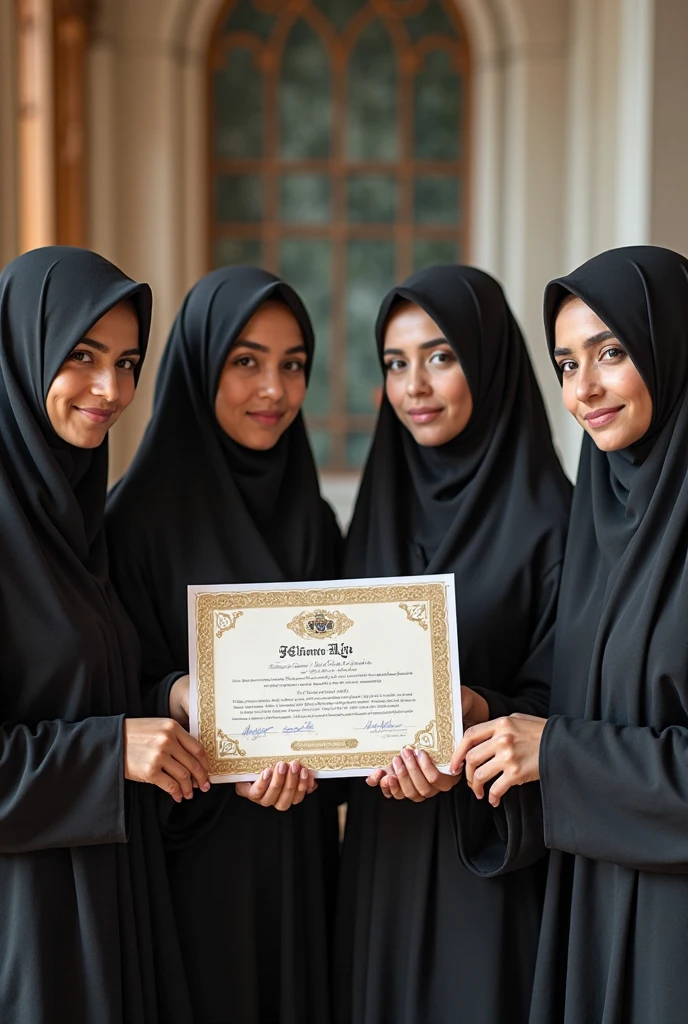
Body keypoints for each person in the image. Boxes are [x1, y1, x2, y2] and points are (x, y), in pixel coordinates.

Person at [454, 245, 688, 1024]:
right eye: (564, 363)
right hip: (594, 909)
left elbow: (563, 738)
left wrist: (554, 753)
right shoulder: (602, 518)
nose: (582, 389)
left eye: (611, 352)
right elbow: (564, 698)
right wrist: (482, 720)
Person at [107, 266, 343, 1024]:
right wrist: (177, 695)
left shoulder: (313, 517)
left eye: (292, 364)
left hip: (301, 851)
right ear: (200, 365)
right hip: (192, 858)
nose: (273, 389)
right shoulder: (132, 524)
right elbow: (116, 691)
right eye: (246, 361)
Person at [336, 264, 571, 1024]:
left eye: (440, 356)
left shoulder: (558, 523)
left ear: (489, 358)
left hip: (492, 856)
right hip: (386, 854)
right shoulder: (376, 508)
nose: (415, 387)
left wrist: (476, 713)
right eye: (396, 364)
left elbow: (567, 699)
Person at [0, 246, 209, 1023]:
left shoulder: (76, 522)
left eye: (127, 362)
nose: (112, 388)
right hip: (29, 924)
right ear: (23, 351)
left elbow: (87, 688)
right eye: (82, 356)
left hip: (105, 901)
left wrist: (175, 701)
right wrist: (110, 749)